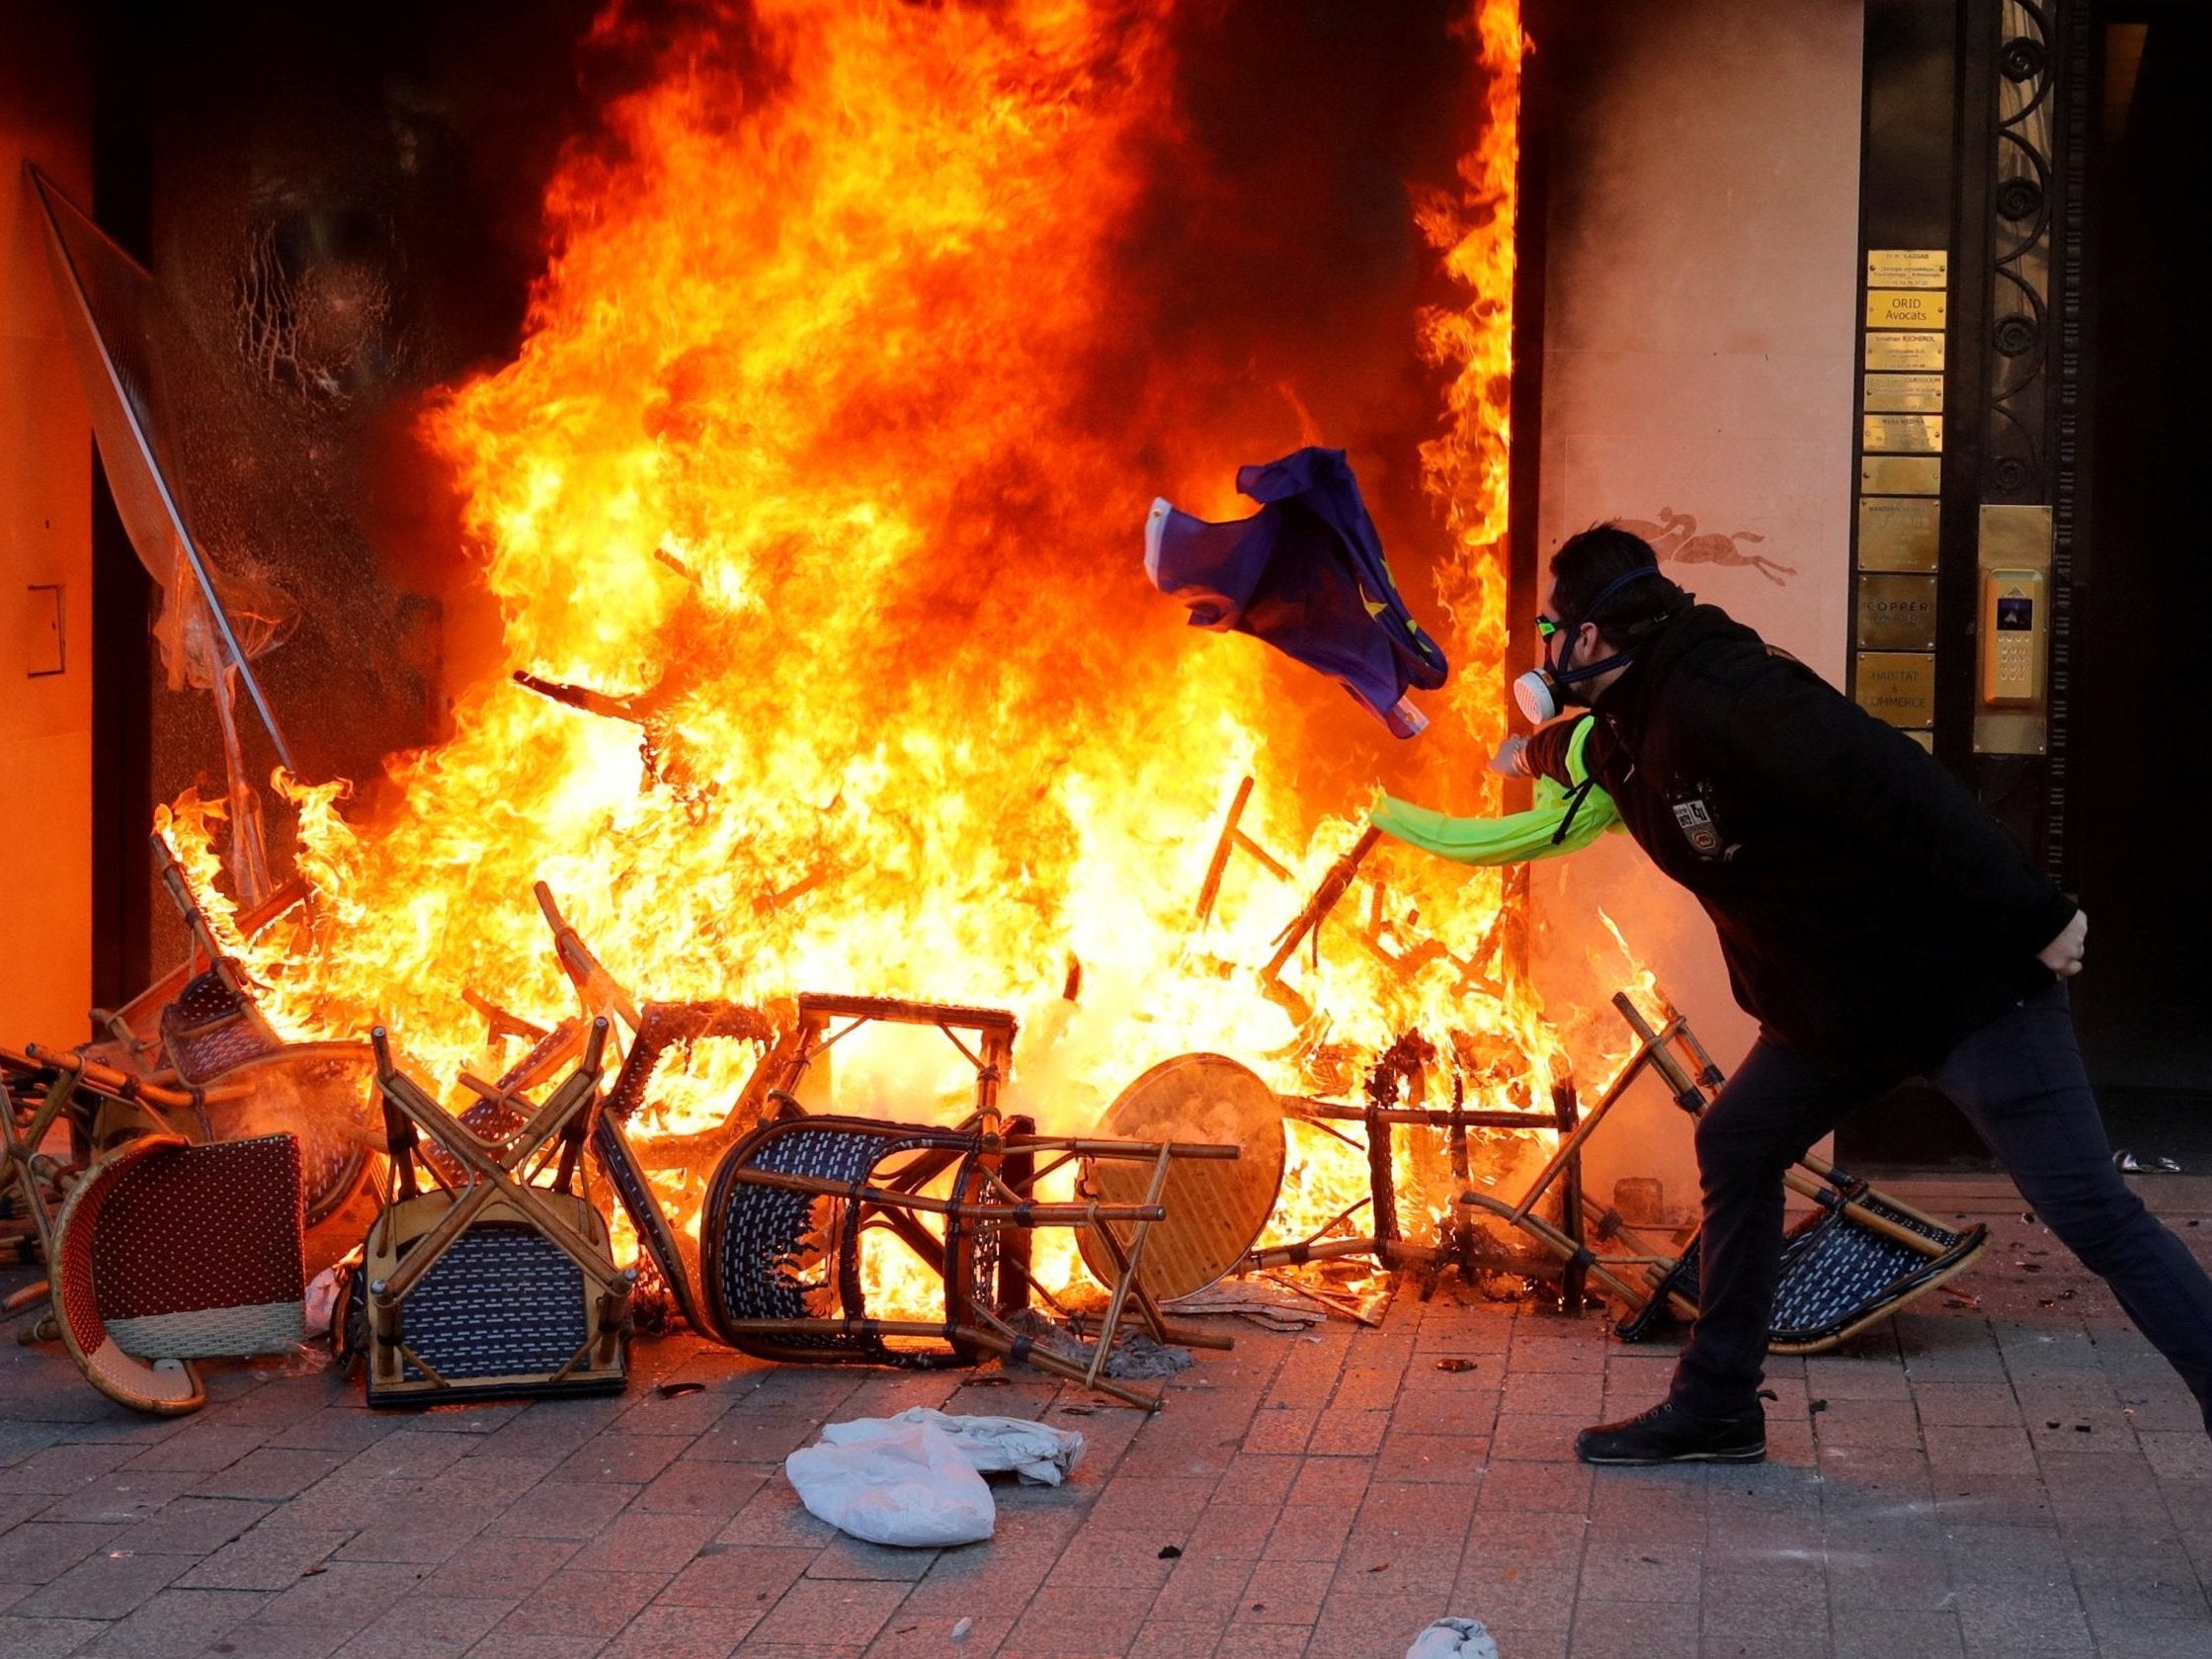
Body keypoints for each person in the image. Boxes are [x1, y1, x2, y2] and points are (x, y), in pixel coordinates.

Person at [1408, 523, 2212, 1464]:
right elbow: (1590, 755)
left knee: (2094, 1216)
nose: (1541, 646)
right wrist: (1527, 755)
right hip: (1836, 1011)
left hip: (1963, 990)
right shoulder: (1626, 723)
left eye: (1552, 625)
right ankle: (1717, 1407)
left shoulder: (1732, 694)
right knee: (1738, 1140)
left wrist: (2036, 911)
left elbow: (1894, 781)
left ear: (1589, 638)